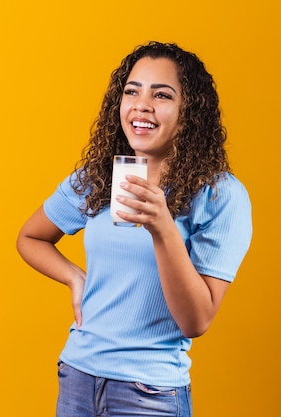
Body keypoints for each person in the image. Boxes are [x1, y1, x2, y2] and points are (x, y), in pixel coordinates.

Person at [16, 41, 252, 417]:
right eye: (132, 91)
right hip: (77, 375)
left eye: (162, 95)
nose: (142, 104)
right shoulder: (98, 179)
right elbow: (30, 237)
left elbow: (196, 321)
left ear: (189, 112)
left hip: (149, 393)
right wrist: (76, 278)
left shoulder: (219, 195)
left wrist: (162, 226)